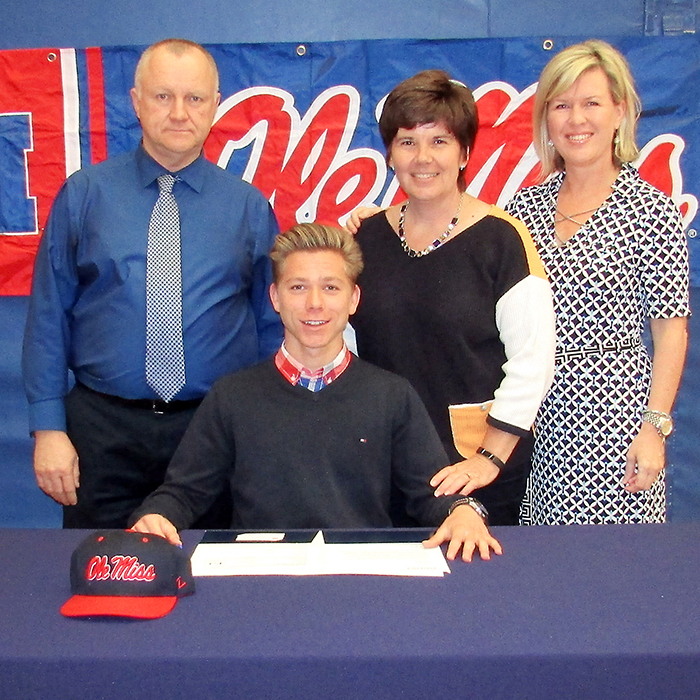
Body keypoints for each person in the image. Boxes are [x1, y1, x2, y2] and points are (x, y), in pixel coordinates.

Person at [22, 39, 282, 529]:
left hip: (213, 429)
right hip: (102, 432)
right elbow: (49, 316)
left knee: (211, 585)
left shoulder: (248, 208)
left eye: (195, 98)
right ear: (136, 101)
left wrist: (265, 421)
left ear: (214, 106)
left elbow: (272, 324)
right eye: (163, 96)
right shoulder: (85, 194)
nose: (179, 113)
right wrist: (48, 428)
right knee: (104, 579)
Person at [130, 223, 501, 562]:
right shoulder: (232, 396)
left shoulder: (392, 395)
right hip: (259, 574)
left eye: (330, 287)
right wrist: (156, 516)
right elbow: (182, 493)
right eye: (298, 287)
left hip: (364, 575)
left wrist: (465, 511)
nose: (314, 304)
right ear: (275, 298)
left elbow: (434, 493)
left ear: (354, 299)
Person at [347, 70, 556, 525]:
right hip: (386, 466)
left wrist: (490, 459)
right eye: (407, 142)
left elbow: (533, 361)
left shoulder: (502, 239)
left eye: (439, 141)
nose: (423, 158)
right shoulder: (365, 238)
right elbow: (347, 351)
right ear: (389, 154)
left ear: (464, 152)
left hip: (473, 472)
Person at [504, 40, 690, 524]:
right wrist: (384, 220)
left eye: (591, 103)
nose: (575, 119)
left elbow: (671, 330)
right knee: (538, 573)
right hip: (531, 421)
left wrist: (654, 429)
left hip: (617, 426)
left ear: (619, 113)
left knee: (614, 574)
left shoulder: (650, 211)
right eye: (561, 105)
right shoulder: (522, 211)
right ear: (545, 119)